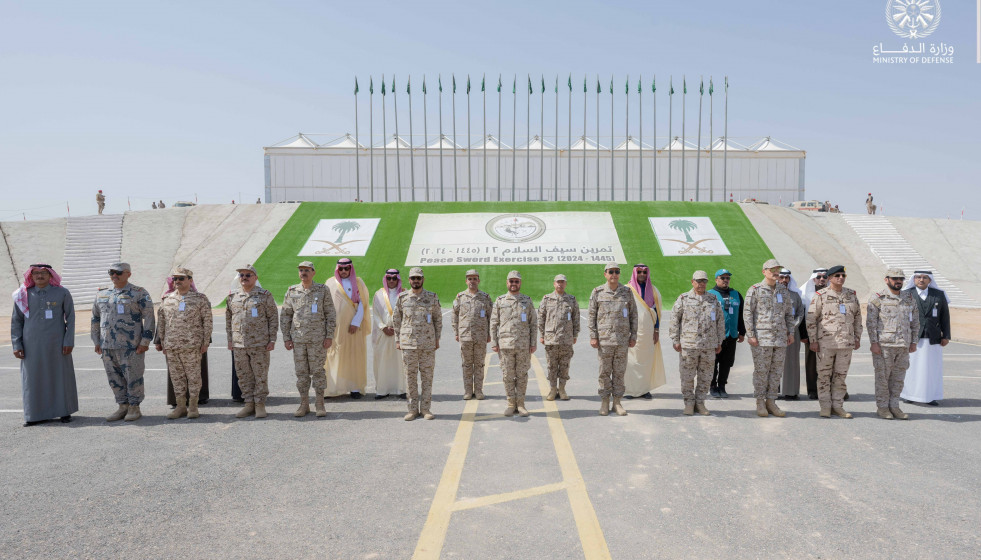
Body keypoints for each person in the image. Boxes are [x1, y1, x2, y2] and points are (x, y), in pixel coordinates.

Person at [11, 264, 78, 426]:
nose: (39, 276)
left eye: (43, 273)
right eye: (36, 273)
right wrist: (16, 344)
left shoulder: (62, 293)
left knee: (59, 376)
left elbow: (71, 318)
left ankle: (63, 411)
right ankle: (34, 415)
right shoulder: (23, 294)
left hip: (57, 343)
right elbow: (16, 321)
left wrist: (68, 341)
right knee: (32, 378)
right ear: (31, 276)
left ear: (50, 276)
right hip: (30, 345)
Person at [92, 262, 155, 422]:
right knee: (114, 378)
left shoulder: (139, 293)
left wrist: (145, 341)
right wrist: (96, 340)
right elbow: (96, 318)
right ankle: (122, 406)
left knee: (133, 376)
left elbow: (148, 317)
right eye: (111, 273)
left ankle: (134, 407)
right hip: (108, 346)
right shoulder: (102, 294)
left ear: (128, 274)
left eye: (118, 273)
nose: (114, 275)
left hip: (131, 346)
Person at [154, 267, 212, 419]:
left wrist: (205, 342)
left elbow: (207, 322)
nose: (177, 281)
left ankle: (193, 406)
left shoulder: (200, 299)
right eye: (175, 279)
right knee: (176, 377)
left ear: (190, 280)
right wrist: (163, 342)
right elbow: (162, 323)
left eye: (181, 278)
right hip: (172, 346)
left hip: (192, 346)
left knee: (194, 377)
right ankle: (180, 406)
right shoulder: (167, 300)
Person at [281, 261, 336, 417]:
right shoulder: (292, 291)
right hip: (298, 340)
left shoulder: (322, 290)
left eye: (306, 270)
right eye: (301, 270)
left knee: (318, 371)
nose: (303, 273)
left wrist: (329, 335)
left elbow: (330, 314)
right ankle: (304, 403)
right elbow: (286, 315)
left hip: (318, 340)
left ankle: (320, 403)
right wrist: (286, 337)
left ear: (313, 272)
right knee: (301, 373)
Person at [806, 265, 862, 418]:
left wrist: (857, 337)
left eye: (843, 275)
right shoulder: (820, 295)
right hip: (826, 343)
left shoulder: (851, 295)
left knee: (840, 376)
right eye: (837, 275)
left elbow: (857, 318)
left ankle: (838, 405)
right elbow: (811, 319)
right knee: (823, 375)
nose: (841, 278)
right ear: (829, 278)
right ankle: (825, 406)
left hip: (845, 343)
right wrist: (813, 340)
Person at [743, 259, 795, 418]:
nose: (775, 272)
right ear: (764, 271)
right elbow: (748, 313)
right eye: (772, 269)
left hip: (779, 338)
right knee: (761, 371)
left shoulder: (783, 291)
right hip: (761, 338)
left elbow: (788, 313)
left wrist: (790, 332)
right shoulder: (755, 290)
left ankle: (771, 401)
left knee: (776, 371)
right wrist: (750, 335)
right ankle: (760, 401)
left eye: (777, 269)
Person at [226, 264, 278, 419]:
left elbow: (273, 318)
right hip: (239, 343)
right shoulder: (232, 297)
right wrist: (230, 340)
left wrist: (272, 339)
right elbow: (229, 320)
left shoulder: (264, 295)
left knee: (260, 374)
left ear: (255, 277)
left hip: (259, 343)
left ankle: (260, 404)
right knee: (243, 375)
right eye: (241, 275)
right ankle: (248, 404)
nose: (244, 278)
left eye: (248, 275)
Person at [669, 271, 724, 415]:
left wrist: (719, 341)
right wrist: (675, 339)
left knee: (705, 377)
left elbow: (720, 321)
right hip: (689, 345)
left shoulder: (713, 299)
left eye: (704, 281)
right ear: (692, 282)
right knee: (687, 376)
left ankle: (700, 403)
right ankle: (688, 403)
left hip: (708, 345)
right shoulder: (684, 299)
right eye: (698, 281)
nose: (701, 284)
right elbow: (675, 319)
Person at [867, 268, 919, 419]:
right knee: (882, 378)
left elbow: (915, 322)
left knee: (898, 379)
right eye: (895, 278)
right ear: (887, 280)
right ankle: (883, 408)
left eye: (901, 279)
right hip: (884, 346)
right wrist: (874, 343)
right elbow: (871, 323)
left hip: (903, 346)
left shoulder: (909, 298)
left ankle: (894, 406)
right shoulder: (878, 298)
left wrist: (914, 341)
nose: (898, 281)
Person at [587, 262, 638, 416]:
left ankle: (617, 402)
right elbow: (591, 316)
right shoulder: (598, 292)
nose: (614, 275)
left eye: (617, 272)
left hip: (622, 340)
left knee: (619, 372)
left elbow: (633, 315)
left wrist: (633, 335)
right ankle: (604, 401)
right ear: (605, 274)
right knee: (604, 372)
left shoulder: (626, 292)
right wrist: (593, 336)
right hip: (604, 340)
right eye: (611, 272)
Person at [392, 267, 441, 420]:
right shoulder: (403, 297)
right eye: (413, 278)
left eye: (418, 278)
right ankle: (412, 410)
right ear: (409, 280)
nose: (416, 281)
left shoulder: (432, 297)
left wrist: (436, 339)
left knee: (427, 377)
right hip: (408, 344)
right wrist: (398, 339)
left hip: (427, 344)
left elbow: (438, 319)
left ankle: (426, 409)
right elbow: (397, 319)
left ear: (423, 280)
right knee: (410, 377)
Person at [490, 271, 537, 417]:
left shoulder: (527, 300)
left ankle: (521, 404)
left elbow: (533, 323)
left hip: (523, 345)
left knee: (522, 375)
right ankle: (511, 403)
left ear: (520, 283)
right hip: (505, 345)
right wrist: (494, 341)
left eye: (516, 281)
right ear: (507, 283)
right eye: (511, 281)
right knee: (508, 375)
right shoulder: (500, 301)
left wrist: (533, 342)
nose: (514, 284)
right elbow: (493, 322)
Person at [901, 270, 951, 406]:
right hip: (912, 337)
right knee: (911, 367)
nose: (921, 280)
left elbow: (945, 317)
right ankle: (909, 395)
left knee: (931, 368)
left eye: (924, 277)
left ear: (930, 280)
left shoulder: (939, 295)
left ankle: (930, 396)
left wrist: (946, 335)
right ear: (914, 279)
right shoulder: (906, 294)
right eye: (918, 277)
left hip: (933, 338)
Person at [324, 258, 371, 398]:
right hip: (335, 327)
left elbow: (363, 304)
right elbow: (325, 305)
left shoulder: (358, 282)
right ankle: (333, 388)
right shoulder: (330, 283)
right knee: (334, 355)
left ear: (351, 269)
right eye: (341, 269)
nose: (344, 271)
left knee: (353, 355)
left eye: (347, 269)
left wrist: (356, 322)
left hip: (353, 328)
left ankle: (354, 388)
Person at [624, 263, 666, 399]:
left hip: (648, 331)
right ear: (635, 273)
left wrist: (657, 330)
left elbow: (656, 312)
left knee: (647, 360)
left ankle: (644, 390)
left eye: (644, 272)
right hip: (631, 331)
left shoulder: (653, 291)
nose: (642, 275)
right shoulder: (626, 290)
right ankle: (630, 390)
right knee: (631, 361)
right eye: (640, 272)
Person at [538, 274, 580, 401]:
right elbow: (541, 318)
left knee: (564, 366)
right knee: (551, 366)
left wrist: (575, 334)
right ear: (554, 284)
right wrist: (542, 335)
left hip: (566, 339)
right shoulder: (547, 299)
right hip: (550, 339)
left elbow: (576, 319)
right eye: (558, 282)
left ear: (565, 284)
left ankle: (562, 389)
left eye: (562, 282)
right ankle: (552, 389)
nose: (560, 284)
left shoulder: (571, 300)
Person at [451, 269, 492, 400]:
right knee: (467, 364)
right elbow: (454, 315)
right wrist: (456, 332)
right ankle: (468, 391)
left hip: (480, 336)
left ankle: (479, 390)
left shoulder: (485, 297)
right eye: (470, 279)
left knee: (479, 364)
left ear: (478, 280)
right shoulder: (460, 297)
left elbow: (491, 317)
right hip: (465, 335)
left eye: (474, 279)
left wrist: (489, 333)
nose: (472, 281)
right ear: (466, 281)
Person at [707, 269, 745, 398]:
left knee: (727, 362)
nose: (725, 280)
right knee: (713, 361)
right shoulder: (710, 294)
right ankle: (712, 386)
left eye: (727, 278)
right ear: (716, 279)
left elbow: (741, 314)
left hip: (731, 335)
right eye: (722, 278)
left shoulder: (736, 294)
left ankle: (722, 385)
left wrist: (742, 332)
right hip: (715, 336)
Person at [371, 268, 406, 399]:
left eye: (394, 278)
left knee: (400, 362)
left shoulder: (404, 294)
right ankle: (382, 390)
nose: (392, 281)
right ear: (385, 279)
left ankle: (401, 389)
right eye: (389, 278)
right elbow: (375, 313)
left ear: (398, 279)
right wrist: (383, 327)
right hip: (383, 333)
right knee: (382, 361)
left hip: (400, 333)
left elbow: (407, 314)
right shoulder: (378, 294)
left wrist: (398, 328)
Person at [777, 269, 807, 400]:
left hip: (792, 333)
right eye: (781, 277)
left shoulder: (795, 295)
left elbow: (800, 313)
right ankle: (773, 391)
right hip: (775, 333)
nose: (784, 280)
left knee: (792, 362)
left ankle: (791, 391)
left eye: (786, 278)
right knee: (774, 362)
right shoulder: (771, 294)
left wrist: (791, 328)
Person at [800, 268, 828, 399]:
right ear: (813, 279)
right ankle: (813, 390)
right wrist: (804, 335)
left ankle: (832, 389)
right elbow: (801, 315)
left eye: (824, 277)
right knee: (812, 362)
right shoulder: (804, 293)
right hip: (812, 334)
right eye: (819, 277)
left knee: (831, 362)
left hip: (830, 335)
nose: (822, 279)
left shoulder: (834, 291)